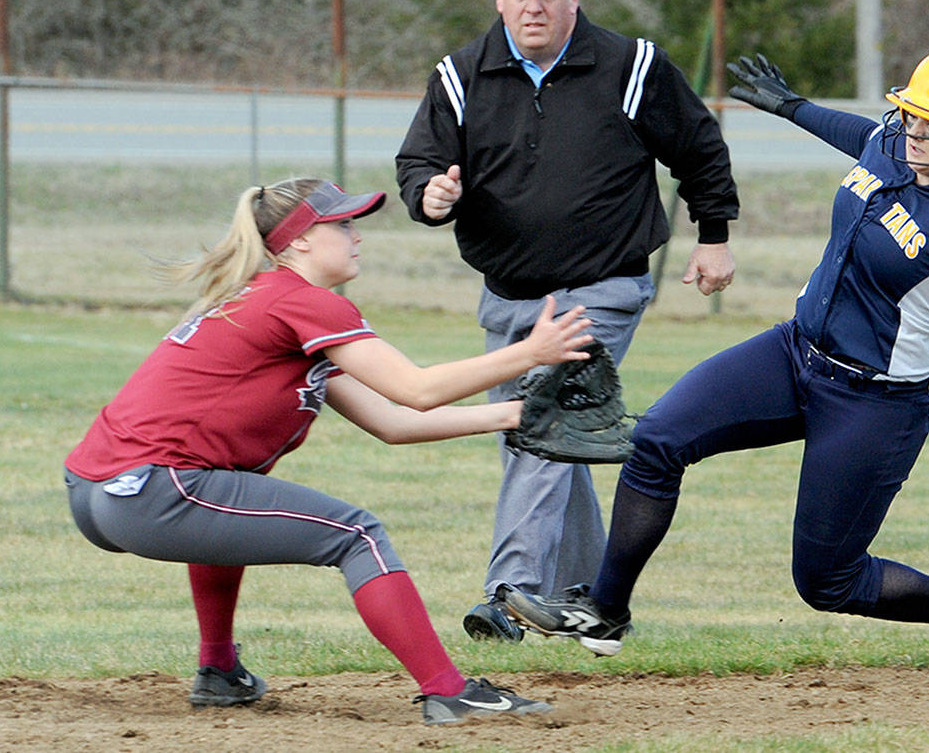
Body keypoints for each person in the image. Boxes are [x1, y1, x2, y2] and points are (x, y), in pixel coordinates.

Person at [504, 48, 929, 682]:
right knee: (656, 441)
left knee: (827, 580)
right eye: (912, 115)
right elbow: (861, 132)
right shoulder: (897, 143)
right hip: (792, 352)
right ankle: (604, 611)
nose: (913, 131)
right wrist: (792, 107)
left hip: (875, 404)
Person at [63, 177, 596, 725]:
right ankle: (449, 690)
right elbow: (416, 389)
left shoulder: (261, 297)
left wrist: (514, 415)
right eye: (341, 224)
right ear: (299, 242)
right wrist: (533, 353)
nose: (355, 235)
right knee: (358, 534)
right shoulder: (303, 302)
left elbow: (391, 421)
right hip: (153, 490)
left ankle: (220, 671)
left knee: (230, 494)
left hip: (99, 491)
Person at [395, 0, 740, 643]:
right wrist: (431, 193)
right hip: (508, 294)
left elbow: (698, 147)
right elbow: (419, 161)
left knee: (541, 423)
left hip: (603, 287)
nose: (534, 6)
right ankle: (594, 603)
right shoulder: (461, 77)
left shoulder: (631, 66)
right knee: (553, 442)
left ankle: (510, 591)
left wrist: (713, 234)